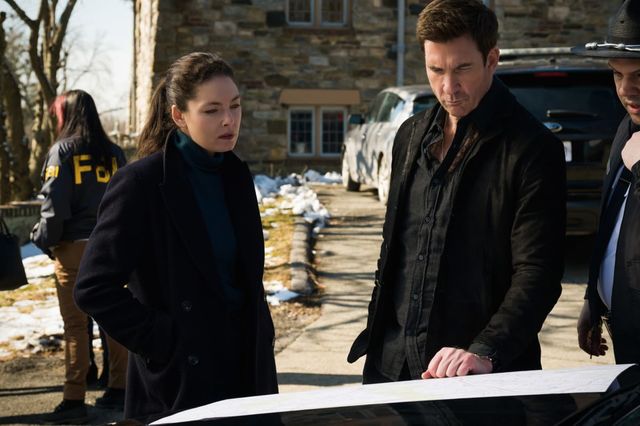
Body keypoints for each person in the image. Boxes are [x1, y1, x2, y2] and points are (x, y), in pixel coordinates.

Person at [348, 0, 566, 383]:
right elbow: (393, 250)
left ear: (492, 59)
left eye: (462, 68)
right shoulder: (410, 135)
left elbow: (538, 273)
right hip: (390, 364)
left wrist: (485, 350)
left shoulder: (532, 149)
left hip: (477, 375)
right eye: (436, 70)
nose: (448, 88)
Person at [73, 52, 278, 422]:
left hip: (249, 370)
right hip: (181, 379)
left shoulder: (235, 176)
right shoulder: (141, 184)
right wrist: (164, 340)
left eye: (235, 106)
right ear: (179, 116)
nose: (229, 120)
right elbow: (93, 288)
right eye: (212, 110)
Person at [30, 90, 129, 424]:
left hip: (73, 248)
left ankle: (74, 399)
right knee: (114, 320)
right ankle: (120, 389)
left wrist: (43, 240)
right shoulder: (114, 152)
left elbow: (54, 209)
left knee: (75, 325)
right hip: (112, 246)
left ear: (67, 114)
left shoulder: (62, 151)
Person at [573, 0, 640, 364]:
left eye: (639, 75)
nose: (626, 89)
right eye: (617, 74)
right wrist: (593, 299)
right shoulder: (626, 129)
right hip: (624, 331)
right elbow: (611, 222)